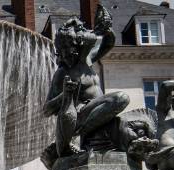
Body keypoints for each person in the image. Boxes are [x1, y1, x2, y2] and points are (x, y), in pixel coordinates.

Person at [43, 6, 129, 155]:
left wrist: (107, 29)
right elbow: (47, 109)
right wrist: (65, 94)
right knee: (121, 98)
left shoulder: (88, 59)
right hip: (81, 114)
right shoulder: (63, 72)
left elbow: (108, 44)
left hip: (100, 109)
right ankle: (78, 134)